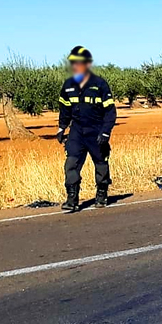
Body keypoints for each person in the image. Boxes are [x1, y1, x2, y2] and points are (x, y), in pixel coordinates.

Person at [56, 46, 116, 211]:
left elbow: (110, 112)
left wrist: (105, 132)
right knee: (71, 164)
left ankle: (102, 194)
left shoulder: (99, 84)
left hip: (96, 130)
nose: (76, 66)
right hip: (77, 131)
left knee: (101, 163)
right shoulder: (68, 85)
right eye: (73, 62)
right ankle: (72, 199)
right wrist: (61, 128)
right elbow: (65, 110)